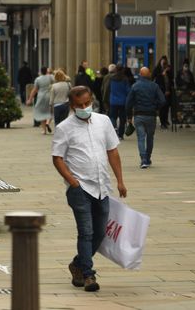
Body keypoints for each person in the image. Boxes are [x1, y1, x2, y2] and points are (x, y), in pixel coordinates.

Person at [51, 85, 127, 293]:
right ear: (72, 106)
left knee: (100, 232)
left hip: (102, 186)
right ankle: (88, 274)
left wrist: (120, 180)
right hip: (80, 188)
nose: (85, 107)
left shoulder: (103, 121)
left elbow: (112, 151)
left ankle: (77, 263)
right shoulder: (64, 128)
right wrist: (72, 181)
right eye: (80, 105)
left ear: (92, 100)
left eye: (87, 103)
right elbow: (57, 158)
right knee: (86, 232)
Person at [126, 66, 167, 169]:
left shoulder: (135, 86)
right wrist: (155, 107)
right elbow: (162, 100)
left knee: (140, 137)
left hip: (139, 115)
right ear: (149, 74)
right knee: (150, 137)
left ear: (140, 74)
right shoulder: (155, 86)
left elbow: (128, 103)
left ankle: (143, 159)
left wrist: (129, 117)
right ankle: (148, 158)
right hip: (151, 115)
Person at [27, 67, 54, 134]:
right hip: (49, 96)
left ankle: (44, 130)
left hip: (41, 97)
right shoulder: (50, 77)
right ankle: (48, 122)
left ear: (41, 72)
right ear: (46, 71)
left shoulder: (38, 79)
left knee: (41, 112)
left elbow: (35, 90)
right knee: (50, 111)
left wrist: (30, 99)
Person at [108, 67, 131, 139]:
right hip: (123, 102)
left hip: (113, 101)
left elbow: (108, 89)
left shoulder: (111, 78)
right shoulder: (125, 79)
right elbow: (128, 90)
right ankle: (121, 134)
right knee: (122, 119)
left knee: (113, 117)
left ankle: (113, 130)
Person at [152, 56, 173, 128]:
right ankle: (162, 122)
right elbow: (153, 77)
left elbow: (171, 78)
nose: (164, 64)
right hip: (161, 90)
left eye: (165, 63)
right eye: (163, 63)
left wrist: (168, 71)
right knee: (162, 106)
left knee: (167, 106)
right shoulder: (157, 69)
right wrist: (162, 74)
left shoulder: (168, 69)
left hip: (168, 90)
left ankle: (166, 120)